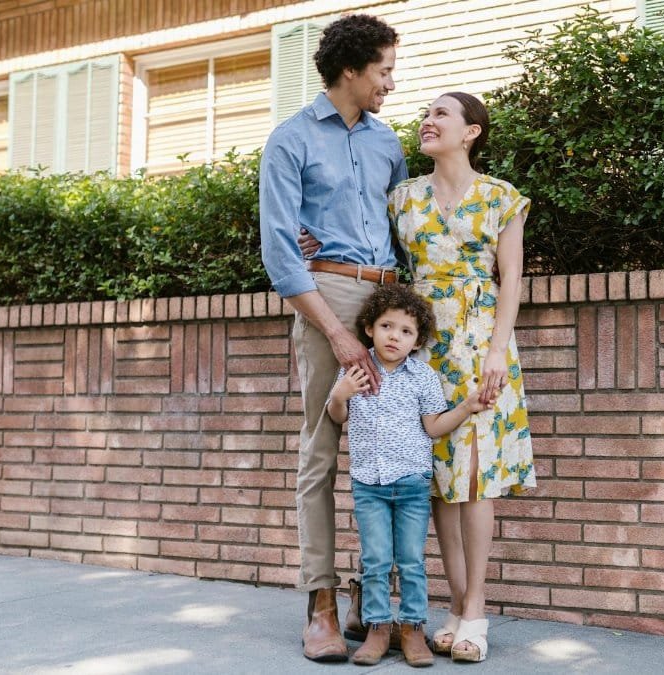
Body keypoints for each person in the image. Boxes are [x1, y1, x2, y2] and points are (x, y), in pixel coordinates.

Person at [298, 91, 536, 663]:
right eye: (426, 114)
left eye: (441, 114)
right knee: (439, 482)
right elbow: (358, 231)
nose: (427, 122)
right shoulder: (403, 197)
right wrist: (314, 239)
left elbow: (511, 279)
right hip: (422, 349)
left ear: (471, 131)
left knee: (475, 478)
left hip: (481, 344)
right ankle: (453, 607)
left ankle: (476, 610)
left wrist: (497, 352)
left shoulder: (501, 197)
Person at [257, 13, 407, 662]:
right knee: (321, 450)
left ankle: (372, 599)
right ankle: (319, 599)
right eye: (383, 71)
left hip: (389, 298)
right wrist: (337, 332)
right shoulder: (290, 140)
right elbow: (279, 251)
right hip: (330, 295)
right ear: (351, 69)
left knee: (393, 451)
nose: (390, 83)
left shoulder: (387, 141)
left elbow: (405, 223)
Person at [326, 285, 489, 667]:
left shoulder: (423, 377)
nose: (394, 336)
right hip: (370, 485)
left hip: (412, 485)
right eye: (386, 326)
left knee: (412, 560)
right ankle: (378, 629)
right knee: (376, 560)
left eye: (405, 331)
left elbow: (433, 427)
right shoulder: (355, 370)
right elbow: (338, 416)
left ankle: (413, 628)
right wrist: (340, 394)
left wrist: (466, 407)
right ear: (370, 328)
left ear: (416, 341)